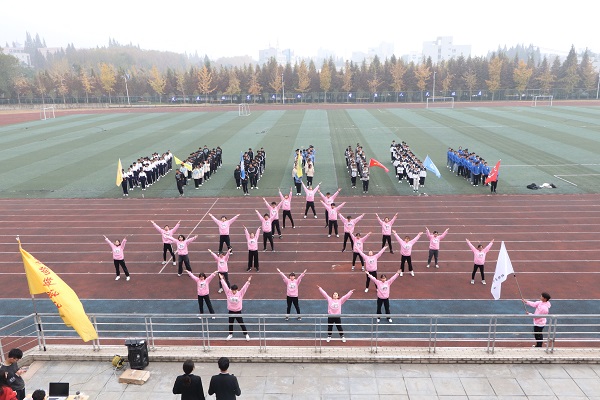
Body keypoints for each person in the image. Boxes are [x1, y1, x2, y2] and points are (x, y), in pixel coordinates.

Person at [220, 274, 252, 340]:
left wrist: (248, 281)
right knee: (230, 323)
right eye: (233, 290)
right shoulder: (228, 292)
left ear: (237, 289)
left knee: (241, 323)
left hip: (238, 312)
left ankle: (246, 334)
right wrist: (222, 279)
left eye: (235, 290)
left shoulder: (240, 293)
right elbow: (225, 286)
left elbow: (244, 288)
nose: (234, 291)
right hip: (231, 311)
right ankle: (230, 334)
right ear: (231, 290)